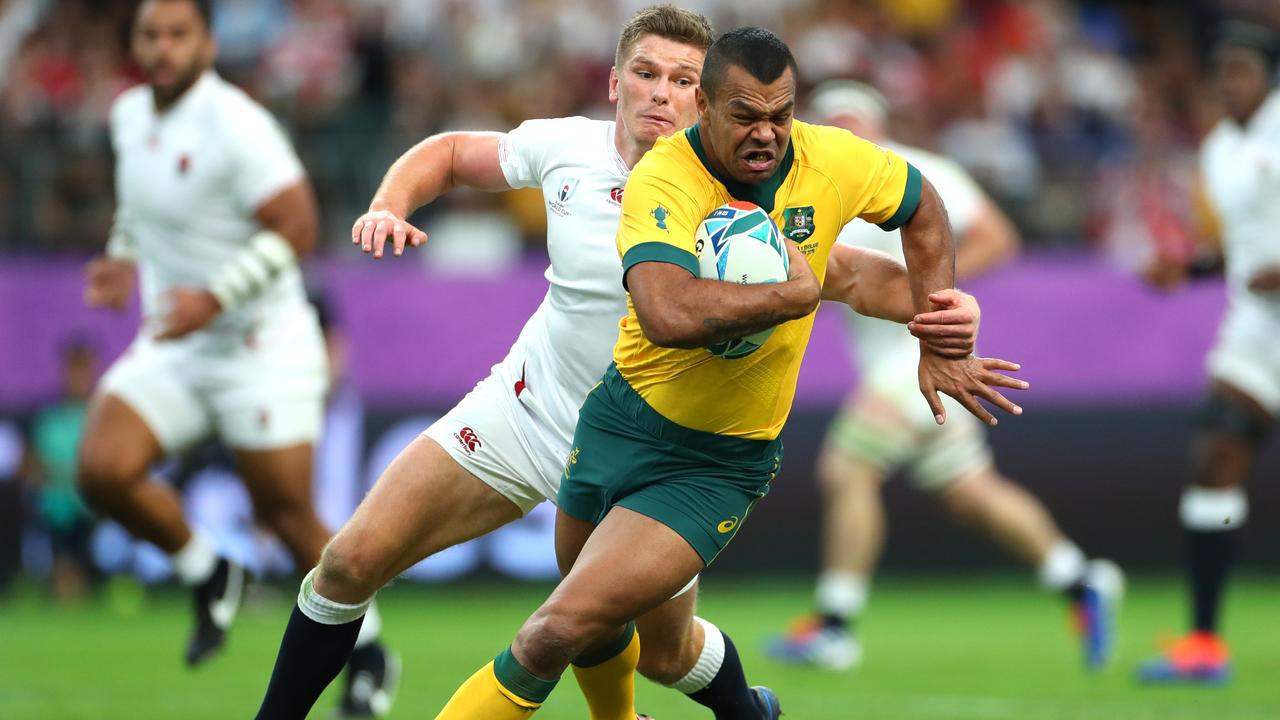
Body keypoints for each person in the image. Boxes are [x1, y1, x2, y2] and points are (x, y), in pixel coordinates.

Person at [255, 8, 991, 720]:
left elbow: (856, 276)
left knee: (662, 653)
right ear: (615, 83)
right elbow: (449, 154)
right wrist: (390, 202)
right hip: (529, 410)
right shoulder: (565, 149)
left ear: (705, 100)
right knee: (348, 563)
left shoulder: (744, 203)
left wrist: (944, 313)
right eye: (646, 74)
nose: (662, 93)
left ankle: (739, 707)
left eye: (681, 80)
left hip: (661, 452)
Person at [74, 1, 395, 715]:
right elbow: (140, 200)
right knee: (101, 469)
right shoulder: (130, 114)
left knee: (284, 515)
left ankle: (371, 649)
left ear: (207, 43)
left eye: (177, 34)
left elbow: (300, 227)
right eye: (149, 34)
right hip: (179, 341)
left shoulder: (238, 125)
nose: (162, 48)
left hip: (260, 345)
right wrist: (124, 257)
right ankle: (209, 571)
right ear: (134, 42)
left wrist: (213, 300)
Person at [765, 80, 1123, 673]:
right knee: (970, 494)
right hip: (895, 359)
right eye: (830, 124)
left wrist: (932, 294)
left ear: (880, 127)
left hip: (925, 354)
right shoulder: (813, 186)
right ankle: (1079, 579)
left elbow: (998, 237)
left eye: (852, 121)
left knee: (847, 466)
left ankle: (834, 625)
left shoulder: (918, 172)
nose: (842, 133)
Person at [1139, 21, 1280, 685]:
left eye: (1242, 72)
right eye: (1221, 72)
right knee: (1215, 460)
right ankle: (1203, 641)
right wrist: (1192, 267)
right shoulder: (1222, 148)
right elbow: (1248, 248)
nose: (1229, 84)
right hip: (1258, 328)